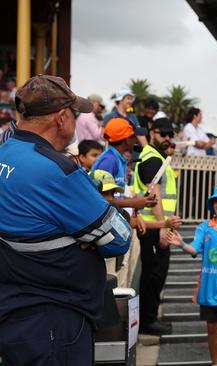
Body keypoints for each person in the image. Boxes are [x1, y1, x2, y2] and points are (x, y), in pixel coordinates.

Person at [0, 75, 132, 365]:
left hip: (13, 310)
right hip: (55, 318)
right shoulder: (56, 169)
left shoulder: (5, 150)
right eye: (75, 113)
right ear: (61, 118)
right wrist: (110, 216)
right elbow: (119, 238)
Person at [167, 185, 217, 366]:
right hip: (207, 287)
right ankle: (215, 363)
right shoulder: (204, 227)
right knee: (211, 327)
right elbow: (194, 248)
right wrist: (181, 243)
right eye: (216, 202)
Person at [133, 117, 183, 335]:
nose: (167, 138)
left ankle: (149, 318)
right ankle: (148, 321)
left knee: (156, 274)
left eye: (170, 135)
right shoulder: (153, 159)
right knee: (153, 275)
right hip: (153, 228)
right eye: (163, 134)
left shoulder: (158, 157)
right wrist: (163, 227)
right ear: (152, 133)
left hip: (157, 226)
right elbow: (155, 196)